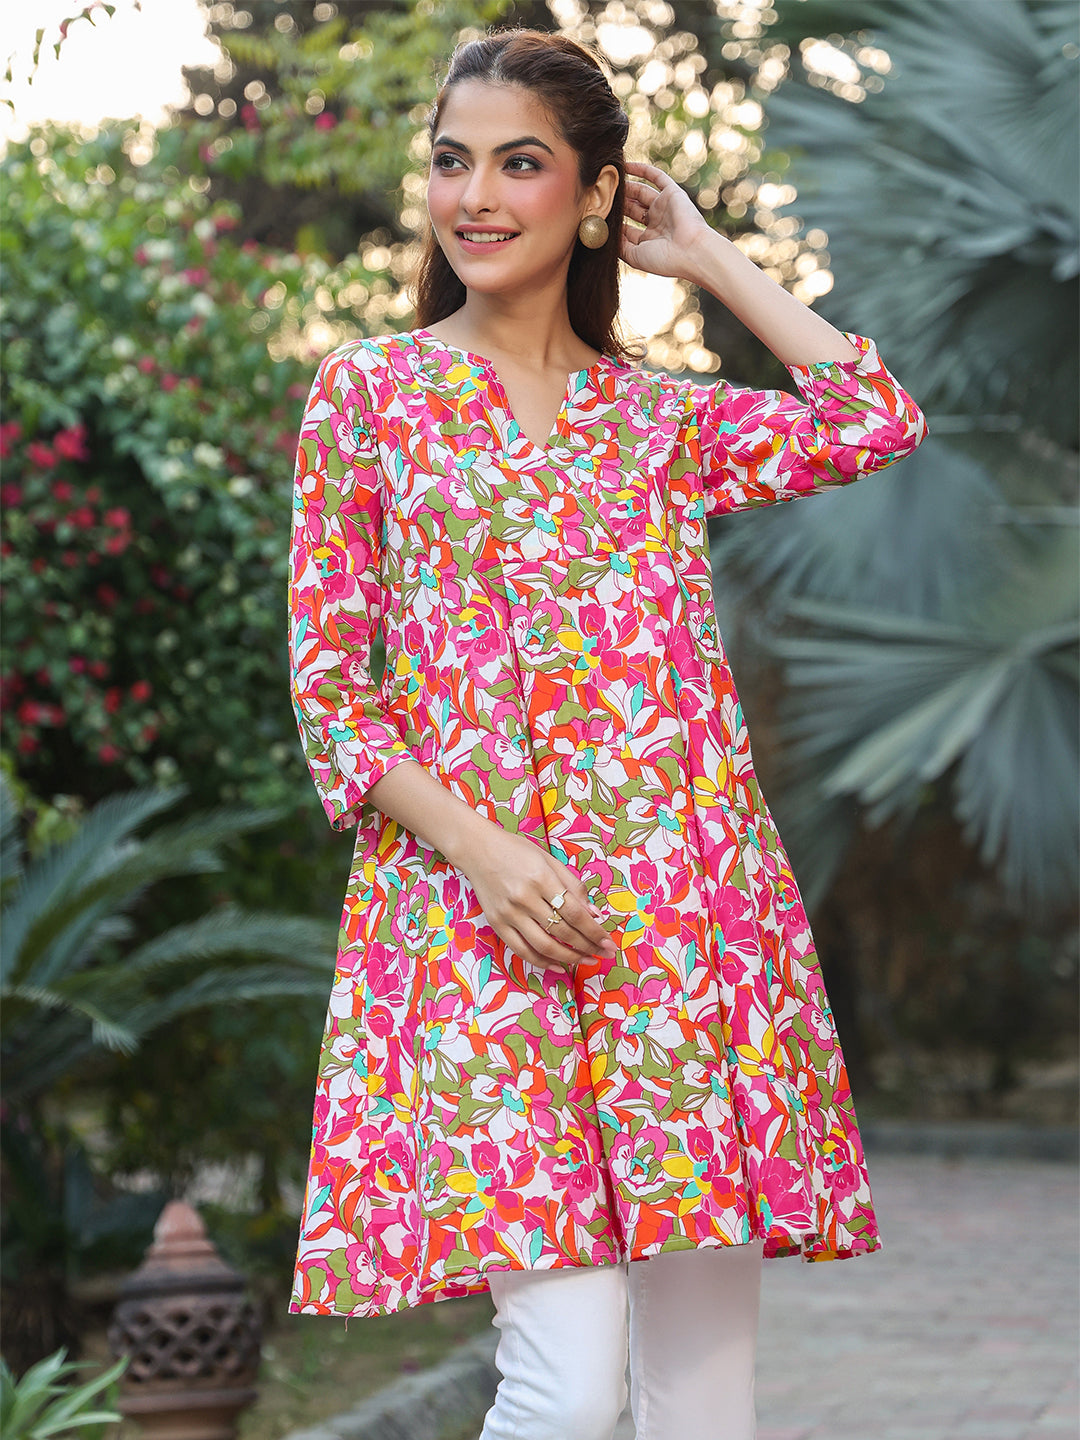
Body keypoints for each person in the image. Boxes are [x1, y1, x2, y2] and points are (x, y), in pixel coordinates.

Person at [286, 28, 927, 1440]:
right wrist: (485, 852)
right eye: (451, 161)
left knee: (703, 1399)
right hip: (484, 931)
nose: (474, 197)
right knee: (567, 1392)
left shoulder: (656, 422)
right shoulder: (371, 398)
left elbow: (875, 419)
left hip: (684, 931)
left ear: (593, 196)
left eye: (520, 163)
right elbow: (332, 692)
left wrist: (705, 257)